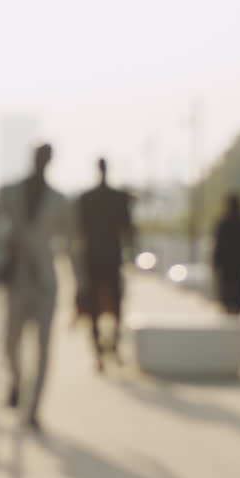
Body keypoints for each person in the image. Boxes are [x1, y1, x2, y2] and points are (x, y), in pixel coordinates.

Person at [0, 143, 77, 433]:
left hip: (46, 280)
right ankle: (16, 380)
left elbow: (73, 242)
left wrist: (81, 285)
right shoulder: (10, 192)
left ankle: (33, 409)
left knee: (44, 347)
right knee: (9, 342)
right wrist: (2, 249)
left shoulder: (59, 200)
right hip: (17, 278)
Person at [75, 158, 134, 371]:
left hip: (92, 257)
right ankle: (114, 346)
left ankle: (99, 352)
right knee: (116, 303)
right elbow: (128, 228)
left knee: (92, 306)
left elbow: (77, 229)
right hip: (111, 257)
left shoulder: (86, 198)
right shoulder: (118, 198)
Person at [211, 193, 240, 315]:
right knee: (237, 290)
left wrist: (215, 262)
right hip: (237, 265)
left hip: (226, 264)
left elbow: (217, 246)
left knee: (227, 290)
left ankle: (229, 307)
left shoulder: (223, 223)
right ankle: (234, 308)